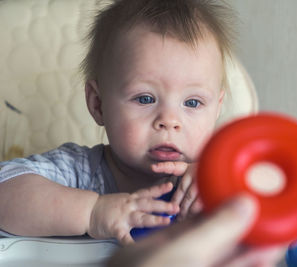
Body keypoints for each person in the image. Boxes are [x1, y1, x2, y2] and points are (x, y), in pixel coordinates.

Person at [0, 0, 233, 245]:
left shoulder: (216, 178)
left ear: (217, 109)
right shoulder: (80, 173)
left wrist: (219, 181)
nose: (169, 121)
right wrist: (91, 212)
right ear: (98, 104)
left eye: (193, 103)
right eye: (145, 98)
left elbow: (270, 193)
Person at [108, 194, 284, 267]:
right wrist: (93, 209)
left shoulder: (202, 172)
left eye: (194, 111)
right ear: (98, 113)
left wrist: (207, 173)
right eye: (144, 111)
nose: (170, 121)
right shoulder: (83, 166)